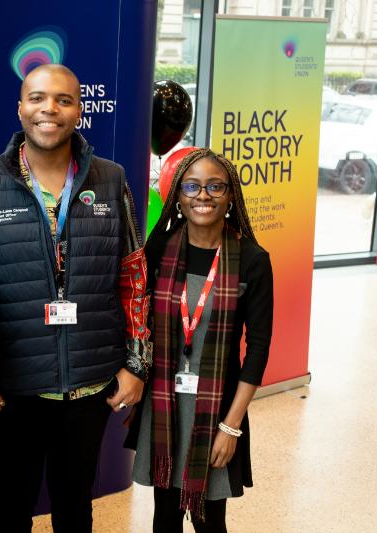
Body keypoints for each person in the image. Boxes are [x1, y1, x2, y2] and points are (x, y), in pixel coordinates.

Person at [0, 63, 151, 533]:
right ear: (20, 109)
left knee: (75, 506)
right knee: (11, 507)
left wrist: (136, 364)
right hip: (14, 388)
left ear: (79, 110)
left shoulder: (112, 181)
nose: (48, 109)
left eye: (63, 99)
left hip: (90, 385)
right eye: (37, 98)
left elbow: (134, 274)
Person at [129, 148, 274, 532]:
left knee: (210, 521)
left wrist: (231, 427)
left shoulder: (252, 260)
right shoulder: (159, 250)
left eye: (215, 186)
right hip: (164, 405)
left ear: (231, 196)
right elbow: (137, 320)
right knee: (165, 516)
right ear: (177, 195)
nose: (203, 196)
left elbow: (257, 350)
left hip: (217, 409)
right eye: (192, 186)